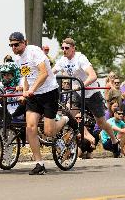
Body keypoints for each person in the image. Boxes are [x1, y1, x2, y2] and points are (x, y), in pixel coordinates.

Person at [9, 32, 77, 175]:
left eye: (16, 44)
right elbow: (27, 77)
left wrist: (31, 90)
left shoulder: (34, 52)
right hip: (33, 96)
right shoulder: (18, 59)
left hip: (48, 92)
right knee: (30, 128)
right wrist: (25, 93)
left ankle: (64, 119)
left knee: (49, 132)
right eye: (11, 45)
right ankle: (39, 163)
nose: (14, 48)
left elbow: (44, 73)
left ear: (24, 42)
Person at [53, 37, 120, 157]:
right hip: (76, 93)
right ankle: (87, 134)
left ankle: (114, 141)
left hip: (91, 93)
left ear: (73, 48)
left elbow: (93, 76)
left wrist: (81, 86)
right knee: (69, 108)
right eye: (62, 48)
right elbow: (51, 72)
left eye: (67, 48)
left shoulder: (80, 58)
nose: (64, 50)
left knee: (101, 123)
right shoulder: (62, 60)